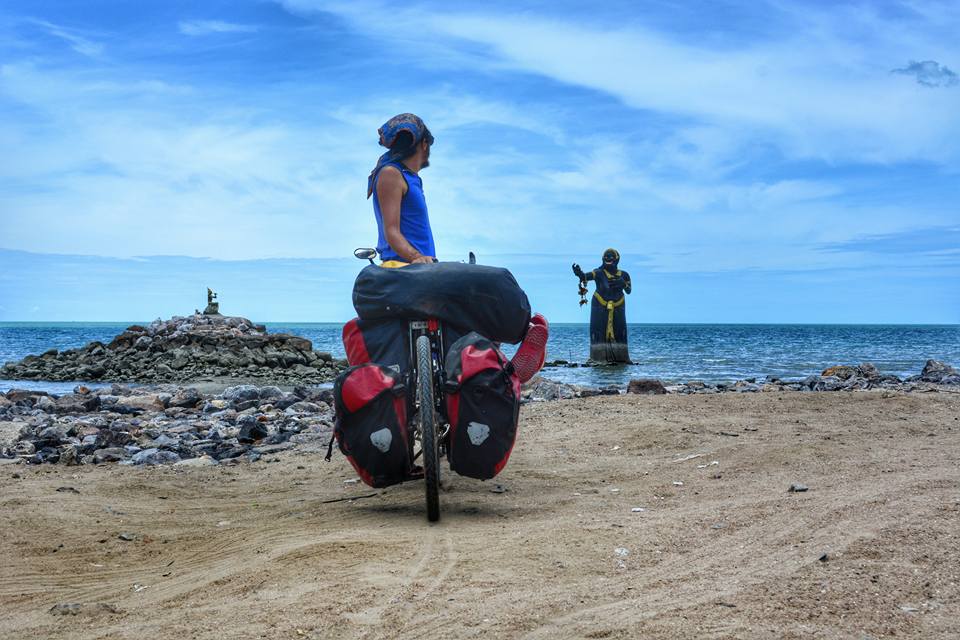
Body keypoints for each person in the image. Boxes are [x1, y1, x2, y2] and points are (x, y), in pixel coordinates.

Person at [367, 113, 436, 267]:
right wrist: (416, 257)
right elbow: (391, 230)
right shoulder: (391, 173)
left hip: (420, 269)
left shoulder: (411, 178)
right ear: (424, 144)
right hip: (402, 268)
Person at [572, 249, 632, 363]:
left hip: (619, 305)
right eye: (606, 256)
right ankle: (598, 358)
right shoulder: (599, 273)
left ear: (617, 259)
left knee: (619, 331)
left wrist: (623, 283)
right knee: (598, 331)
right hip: (599, 305)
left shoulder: (624, 275)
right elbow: (585, 277)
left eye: (611, 257)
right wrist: (579, 273)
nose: (609, 258)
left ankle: (621, 358)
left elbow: (629, 290)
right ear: (603, 259)